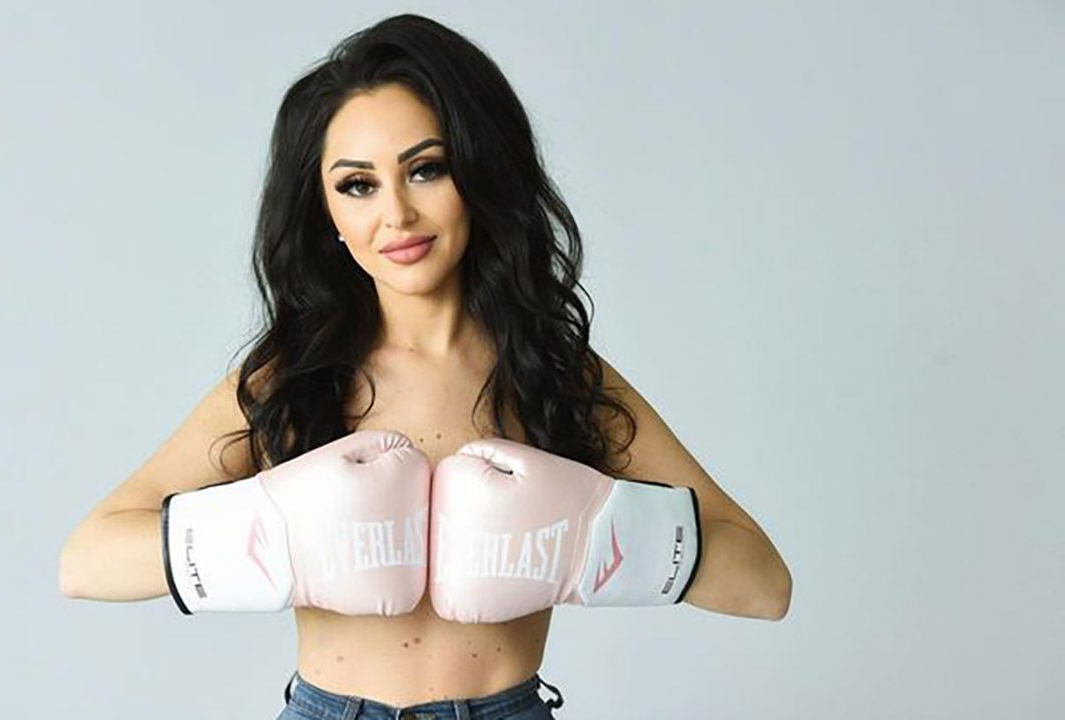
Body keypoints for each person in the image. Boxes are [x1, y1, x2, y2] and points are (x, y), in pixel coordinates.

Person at [59, 13, 791, 719]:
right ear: (327, 216)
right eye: (357, 184)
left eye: (426, 170)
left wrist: (594, 539)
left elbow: (763, 583)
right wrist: (272, 534)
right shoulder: (296, 375)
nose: (397, 216)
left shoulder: (552, 372)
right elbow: (87, 561)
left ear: (479, 174)